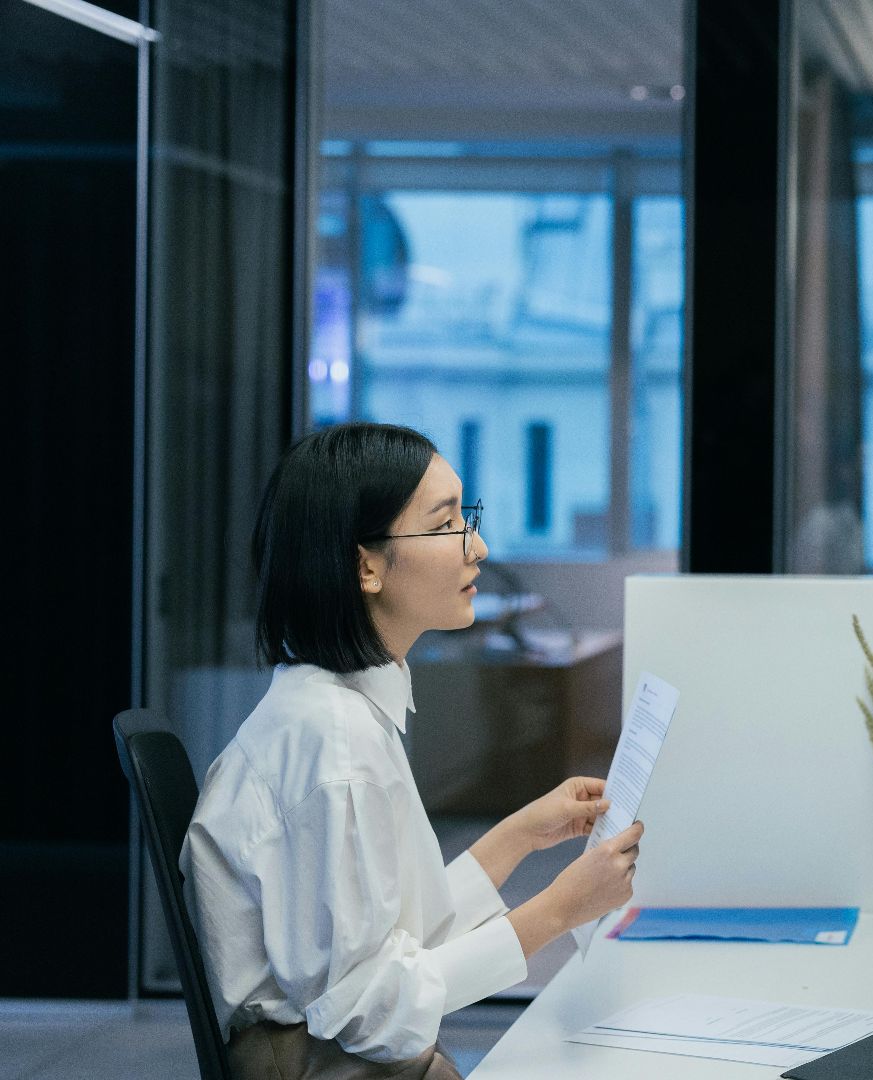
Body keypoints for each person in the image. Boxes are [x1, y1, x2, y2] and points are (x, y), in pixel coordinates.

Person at [183, 423, 646, 1079]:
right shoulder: (332, 743)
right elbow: (364, 1006)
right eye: (445, 524)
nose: (478, 547)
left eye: (468, 518)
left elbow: (394, 935)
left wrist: (519, 834)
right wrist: (558, 910)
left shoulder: (334, 710)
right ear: (365, 564)